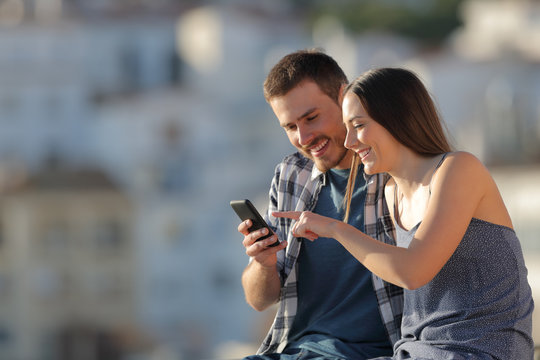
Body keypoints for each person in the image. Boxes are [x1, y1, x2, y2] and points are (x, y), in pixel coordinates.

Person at [274, 68, 535, 359]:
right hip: (417, 350)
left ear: (396, 118)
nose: (349, 141)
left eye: (358, 125)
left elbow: (413, 271)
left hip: (481, 349)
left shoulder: (459, 169)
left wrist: (336, 229)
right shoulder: (390, 193)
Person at [237, 50, 404, 359]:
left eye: (311, 118)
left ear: (345, 97)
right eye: (289, 127)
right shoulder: (291, 175)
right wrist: (263, 262)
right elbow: (260, 300)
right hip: (296, 350)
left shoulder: (394, 171)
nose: (303, 137)